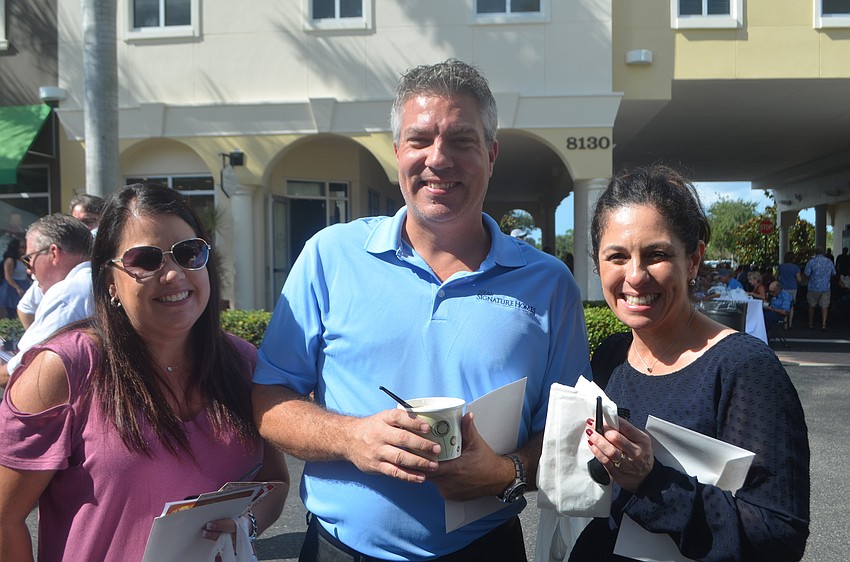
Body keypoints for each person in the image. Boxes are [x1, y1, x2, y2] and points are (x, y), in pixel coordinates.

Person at [252, 59, 589, 561]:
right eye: (420, 139)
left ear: (491, 154)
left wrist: (504, 473)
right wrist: (352, 437)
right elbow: (269, 401)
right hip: (338, 551)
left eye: (461, 141)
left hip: (485, 550)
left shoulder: (548, 284)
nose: (439, 158)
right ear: (396, 154)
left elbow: (572, 431)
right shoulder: (329, 256)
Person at [0, 184, 289, 561]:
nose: (173, 274)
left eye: (189, 253)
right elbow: (5, 518)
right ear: (109, 282)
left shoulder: (241, 362)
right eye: (146, 260)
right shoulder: (65, 369)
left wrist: (245, 525)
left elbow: (275, 482)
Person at [575, 164, 809, 561]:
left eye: (657, 254)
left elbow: (778, 534)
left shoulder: (744, 369)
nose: (635, 276)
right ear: (597, 264)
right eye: (616, 256)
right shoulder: (610, 357)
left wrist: (652, 483)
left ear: (694, 259)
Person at [0, 214, 94, 388]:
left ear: (53, 253)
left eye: (29, 259)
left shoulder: (67, 293)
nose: (29, 270)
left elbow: (23, 370)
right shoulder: (100, 278)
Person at [803, 247, 835, 330]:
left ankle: (811, 323)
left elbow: (807, 273)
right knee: (825, 306)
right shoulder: (829, 262)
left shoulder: (811, 262)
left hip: (813, 287)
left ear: (816, 253)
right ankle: (823, 324)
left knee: (811, 305)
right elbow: (834, 273)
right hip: (826, 287)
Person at [0, 239, 31, 319]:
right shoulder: (10, 260)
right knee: (12, 312)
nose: (23, 249)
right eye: (21, 247)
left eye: (25, 247)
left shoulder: (24, 259)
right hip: (12, 287)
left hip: (24, 284)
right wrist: (17, 288)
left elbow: (29, 271)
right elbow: (8, 277)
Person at [777, 252, 802, 328]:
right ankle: (790, 323)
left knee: (784, 305)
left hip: (783, 288)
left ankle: (785, 323)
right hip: (793, 288)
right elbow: (799, 279)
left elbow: (776, 277)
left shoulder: (781, 267)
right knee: (791, 306)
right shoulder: (795, 267)